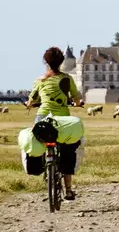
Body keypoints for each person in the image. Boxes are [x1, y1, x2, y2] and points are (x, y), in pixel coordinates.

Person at [27, 46, 84, 201]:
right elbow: (76, 98)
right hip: (62, 120)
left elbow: (32, 99)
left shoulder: (40, 80)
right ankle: (69, 190)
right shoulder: (66, 79)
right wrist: (77, 103)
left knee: (36, 139)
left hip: (42, 118)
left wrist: (29, 104)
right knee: (68, 149)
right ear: (62, 62)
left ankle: (42, 164)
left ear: (45, 62)